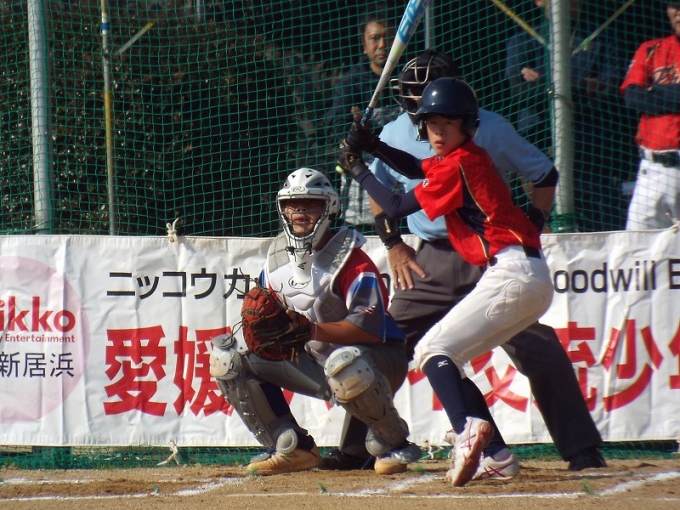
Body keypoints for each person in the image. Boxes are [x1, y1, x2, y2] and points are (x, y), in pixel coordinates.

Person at [324, 50, 606, 478]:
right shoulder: (442, 145)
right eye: (430, 119)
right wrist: (374, 147)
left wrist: (357, 167)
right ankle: (374, 448)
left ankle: (572, 447)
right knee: (394, 343)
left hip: (499, 267)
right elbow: (417, 168)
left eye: (446, 119)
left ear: (466, 118)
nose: (436, 128)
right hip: (436, 261)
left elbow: (397, 202)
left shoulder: (482, 135)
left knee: (477, 350)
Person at [209, 168, 421, 476]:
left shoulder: (352, 259)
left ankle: (393, 441)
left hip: (380, 360)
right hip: (319, 361)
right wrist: (267, 334)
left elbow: (370, 329)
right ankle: (292, 447)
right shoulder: (276, 261)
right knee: (229, 359)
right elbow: (268, 318)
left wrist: (310, 330)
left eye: (311, 204)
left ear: (330, 207)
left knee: (345, 364)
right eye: (292, 205)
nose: (299, 212)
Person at [505, 0, 627, 232]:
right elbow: (519, 92)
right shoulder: (522, 40)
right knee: (540, 218)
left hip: (590, 143)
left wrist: (545, 83)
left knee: (597, 217)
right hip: (538, 139)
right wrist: (583, 86)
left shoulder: (603, 37)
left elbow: (609, 90)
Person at [324, 5, 402, 227]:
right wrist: (356, 131)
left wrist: (369, 131)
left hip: (405, 205)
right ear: (364, 44)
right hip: (360, 212)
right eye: (375, 38)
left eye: (388, 38)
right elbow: (339, 132)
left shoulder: (410, 80)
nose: (382, 45)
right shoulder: (349, 84)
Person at [620, 1, 680, 230]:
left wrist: (656, 91)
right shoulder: (651, 49)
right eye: (674, 5)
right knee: (636, 244)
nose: (678, 11)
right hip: (654, 170)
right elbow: (633, 97)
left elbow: (646, 96)